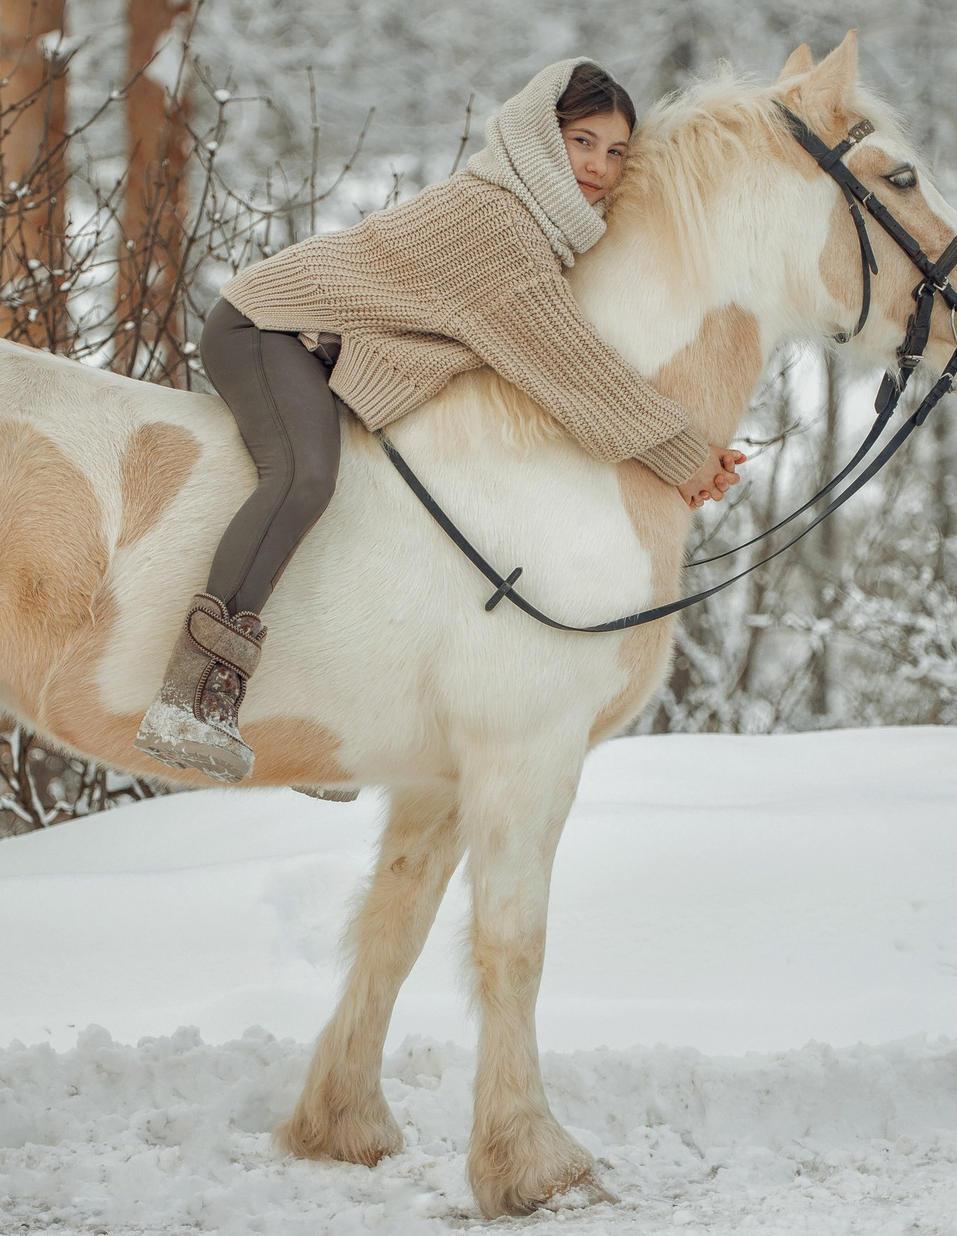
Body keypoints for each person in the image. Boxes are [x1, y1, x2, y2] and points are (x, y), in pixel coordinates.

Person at [135, 58, 747, 783]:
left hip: (328, 352)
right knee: (303, 480)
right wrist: (684, 454)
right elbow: (574, 371)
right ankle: (188, 694)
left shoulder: (538, 222)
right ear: (539, 135)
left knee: (369, 512)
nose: (601, 166)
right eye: (584, 141)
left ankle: (313, 712)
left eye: (616, 151)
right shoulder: (500, 224)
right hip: (269, 328)